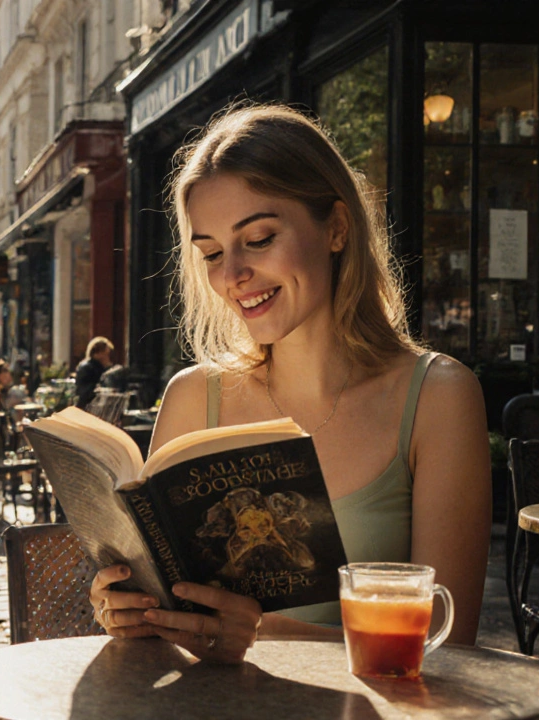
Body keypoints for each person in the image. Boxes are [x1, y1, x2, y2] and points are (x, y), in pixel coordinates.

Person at [88, 104, 491, 664]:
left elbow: (453, 651)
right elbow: (166, 633)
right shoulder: (192, 397)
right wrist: (129, 611)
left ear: (336, 228)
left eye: (258, 238)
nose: (231, 276)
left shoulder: (437, 397)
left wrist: (262, 637)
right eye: (211, 252)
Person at [74, 337, 114, 409]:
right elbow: (87, 392)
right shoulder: (89, 368)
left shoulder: (96, 367)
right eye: (106, 354)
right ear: (98, 353)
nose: (107, 358)